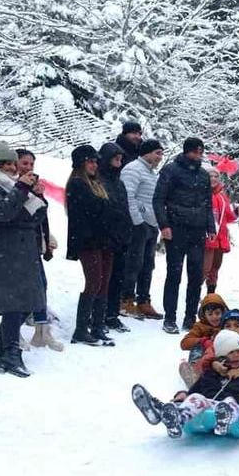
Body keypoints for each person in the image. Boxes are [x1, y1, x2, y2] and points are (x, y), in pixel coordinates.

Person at [0, 141, 46, 378]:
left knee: (28, 301)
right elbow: (3, 213)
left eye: (11, 164)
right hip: (2, 250)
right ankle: (10, 353)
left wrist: (38, 196)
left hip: (22, 249)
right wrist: (21, 189)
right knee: (13, 301)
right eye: (4, 164)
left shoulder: (13, 187)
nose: (9, 168)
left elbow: (33, 217)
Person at [130, 331, 239, 440]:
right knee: (197, 397)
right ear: (221, 355)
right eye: (231, 352)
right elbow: (193, 391)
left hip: (234, 419)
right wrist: (182, 397)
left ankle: (226, 418)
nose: (236, 356)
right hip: (206, 411)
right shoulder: (209, 374)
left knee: (230, 402)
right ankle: (177, 418)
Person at [153, 138, 213, 333]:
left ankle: (189, 317)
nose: (197, 156)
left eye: (200, 152)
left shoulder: (204, 175)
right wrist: (164, 225)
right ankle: (170, 317)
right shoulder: (171, 170)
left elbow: (208, 203)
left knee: (196, 276)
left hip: (198, 230)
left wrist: (210, 227)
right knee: (174, 274)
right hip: (176, 228)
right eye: (194, 152)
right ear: (186, 152)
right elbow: (158, 199)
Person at [66, 145, 119, 346]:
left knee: (103, 282)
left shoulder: (96, 183)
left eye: (96, 161)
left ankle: (97, 325)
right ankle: (81, 329)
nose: (94, 165)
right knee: (94, 282)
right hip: (88, 241)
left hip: (103, 241)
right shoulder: (78, 184)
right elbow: (92, 212)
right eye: (90, 161)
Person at [14, 148, 63, 351]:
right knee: (20, 290)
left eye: (31, 164)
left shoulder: (34, 186)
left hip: (34, 243)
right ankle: (11, 332)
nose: (28, 168)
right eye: (24, 163)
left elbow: (41, 216)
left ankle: (42, 331)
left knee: (40, 286)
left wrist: (46, 236)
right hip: (16, 245)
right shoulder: (12, 186)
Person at [119, 139, 164, 320]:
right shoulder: (133, 169)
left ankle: (144, 300)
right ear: (147, 153)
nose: (160, 157)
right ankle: (125, 300)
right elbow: (128, 195)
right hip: (138, 224)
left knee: (147, 264)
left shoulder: (151, 173)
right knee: (133, 263)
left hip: (151, 225)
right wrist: (137, 220)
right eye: (157, 153)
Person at [97, 143, 134, 334]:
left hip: (120, 236)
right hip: (104, 236)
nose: (118, 164)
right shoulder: (98, 180)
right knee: (102, 279)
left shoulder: (118, 182)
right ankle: (99, 315)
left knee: (118, 277)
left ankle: (112, 314)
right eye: (115, 159)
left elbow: (124, 208)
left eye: (121, 160)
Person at [201, 166, 236, 295]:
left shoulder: (222, 196)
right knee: (205, 268)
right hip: (207, 237)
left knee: (215, 268)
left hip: (220, 238)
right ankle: (194, 293)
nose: (214, 179)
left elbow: (228, 216)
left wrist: (236, 213)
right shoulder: (201, 194)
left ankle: (211, 294)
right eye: (211, 176)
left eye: (216, 176)